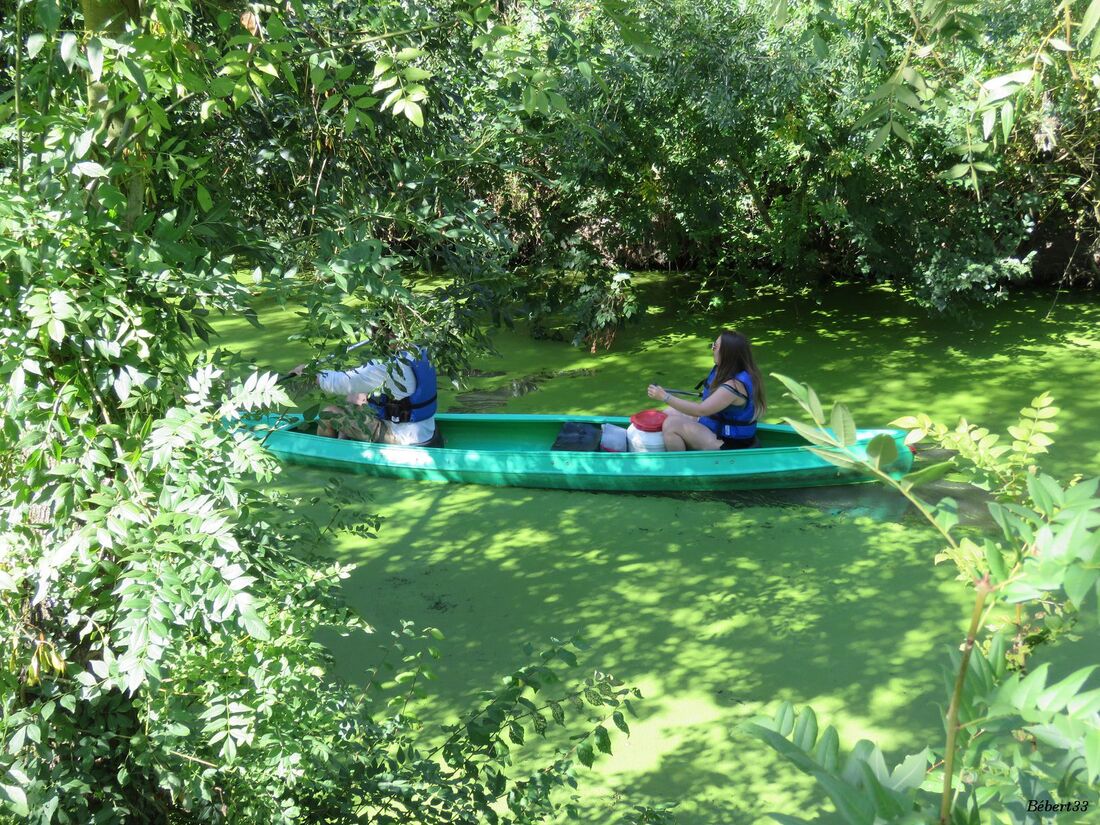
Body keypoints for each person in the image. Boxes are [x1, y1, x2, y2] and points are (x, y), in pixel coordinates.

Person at [290, 346, 439, 446]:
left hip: (401, 437)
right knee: (354, 398)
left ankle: (324, 456)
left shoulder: (387, 364)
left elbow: (341, 382)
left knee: (328, 414)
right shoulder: (418, 350)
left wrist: (311, 374)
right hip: (425, 431)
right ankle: (345, 444)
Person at [646, 330, 766, 451]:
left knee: (671, 424)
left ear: (726, 354)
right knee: (668, 413)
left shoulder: (734, 386)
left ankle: (681, 467)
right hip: (716, 427)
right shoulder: (726, 370)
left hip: (730, 444)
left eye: (715, 346)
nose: (712, 348)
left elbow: (701, 410)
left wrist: (664, 397)